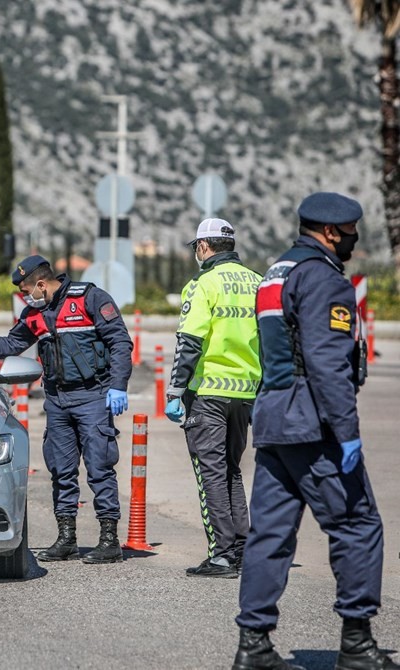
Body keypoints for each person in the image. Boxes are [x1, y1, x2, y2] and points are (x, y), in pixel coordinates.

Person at [232, 193, 397, 670]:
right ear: (330, 232)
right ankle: (358, 644)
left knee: (270, 535)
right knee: (358, 526)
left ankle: (254, 644)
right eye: (349, 233)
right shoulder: (322, 278)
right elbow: (327, 363)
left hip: (274, 420)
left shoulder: (275, 273)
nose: (352, 240)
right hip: (313, 423)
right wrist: (346, 431)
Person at [0, 255, 133, 564]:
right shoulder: (34, 313)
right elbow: (10, 345)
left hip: (93, 396)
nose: (25, 296)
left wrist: (118, 384)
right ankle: (66, 539)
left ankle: (109, 539)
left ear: (41, 283)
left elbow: (119, 342)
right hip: (58, 400)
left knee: (99, 467)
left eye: (25, 290)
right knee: (61, 470)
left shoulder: (90, 299)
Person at [164, 218, 262, 579]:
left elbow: (189, 342)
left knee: (211, 476)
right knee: (232, 470)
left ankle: (221, 554)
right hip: (246, 392)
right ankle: (241, 548)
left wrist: (175, 390)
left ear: (204, 247)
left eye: (195, 248)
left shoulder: (203, 284)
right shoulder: (256, 281)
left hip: (207, 393)